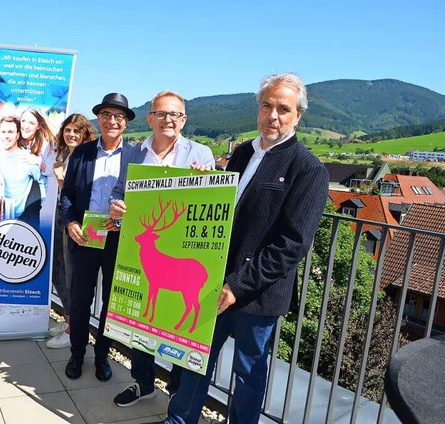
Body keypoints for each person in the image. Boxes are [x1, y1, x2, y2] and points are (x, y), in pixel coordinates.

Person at [151, 74, 329, 424]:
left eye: (283, 109)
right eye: (267, 106)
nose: (273, 116)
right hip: (214, 283)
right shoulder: (242, 152)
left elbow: (293, 245)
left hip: (257, 294)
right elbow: (225, 213)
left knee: (248, 376)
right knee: (195, 360)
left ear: (298, 116)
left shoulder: (308, 169)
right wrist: (205, 185)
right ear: (258, 109)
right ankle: (178, 420)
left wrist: (238, 285)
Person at [109, 90, 215, 407]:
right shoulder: (133, 154)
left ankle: (179, 392)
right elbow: (117, 194)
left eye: (175, 115)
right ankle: (143, 383)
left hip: (181, 254)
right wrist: (116, 209)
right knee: (143, 316)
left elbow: (212, 203)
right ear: (150, 118)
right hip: (142, 254)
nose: (168, 120)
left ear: (183, 120)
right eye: (161, 114)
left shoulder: (201, 155)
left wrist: (208, 182)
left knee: (175, 318)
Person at [60, 93, 136, 381]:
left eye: (118, 116)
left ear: (126, 123)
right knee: (80, 300)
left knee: (112, 303)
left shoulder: (135, 157)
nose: (112, 121)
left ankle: (102, 354)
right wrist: (70, 223)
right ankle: (77, 353)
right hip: (85, 236)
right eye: (106, 114)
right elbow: (67, 196)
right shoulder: (81, 153)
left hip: (119, 239)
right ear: (99, 119)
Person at [47, 113, 95, 349]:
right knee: (57, 272)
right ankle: (68, 319)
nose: (72, 135)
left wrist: (62, 181)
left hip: (75, 222)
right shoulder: (63, 154)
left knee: (69, 274)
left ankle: (72, 328)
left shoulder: (88, 158)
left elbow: (81, 196)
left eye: (77, 131)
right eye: (68, 130)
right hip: (57, 218)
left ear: (85, 133)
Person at [0, 115, 46, 221]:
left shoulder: (28, 159)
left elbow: (42, 182)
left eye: (10, 132)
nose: (6, 136)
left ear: (17, 135)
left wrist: (42, 205)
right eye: (3, 132)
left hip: (18, 220)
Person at [18, 108, 56, 227]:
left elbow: (52, 170)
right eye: (23, 121)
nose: (26, 126)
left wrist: (37, 161)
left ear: (39, 126)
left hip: (37, 194)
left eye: (31, 123)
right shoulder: (14, 138)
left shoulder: (47, 145)